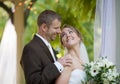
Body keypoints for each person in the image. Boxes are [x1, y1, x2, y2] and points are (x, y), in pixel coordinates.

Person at [20, 10, 72, 84]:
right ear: (44, 27)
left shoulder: (49, 47)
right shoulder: (30, 49)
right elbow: (34, 82)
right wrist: (58, 65)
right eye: (56, 28)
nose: (59, 31)